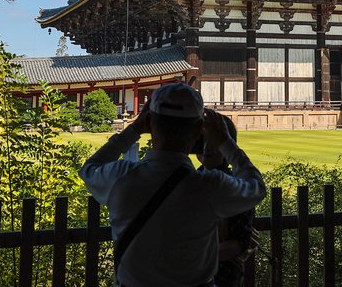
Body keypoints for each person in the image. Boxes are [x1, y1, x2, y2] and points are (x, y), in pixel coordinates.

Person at [79, 82, 266, 287]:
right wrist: (226, 143)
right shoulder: (209, 185)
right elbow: (256, 187)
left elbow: (89, 169)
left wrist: (134, 129)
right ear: (198, 130)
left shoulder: (121, 177)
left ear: (149, 122)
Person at [195, 114, 256, 287]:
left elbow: (239, 242)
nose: (206, 148)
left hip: (223, 275)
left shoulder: (234, 186)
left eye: (213, 141)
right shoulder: (189, 180)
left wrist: (192, 255)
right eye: (202, 140)